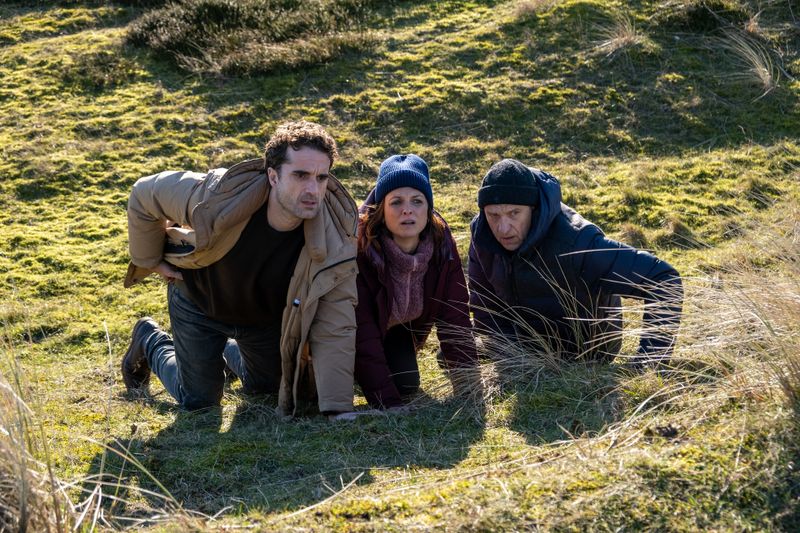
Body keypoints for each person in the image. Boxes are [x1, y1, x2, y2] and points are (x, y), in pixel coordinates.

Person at [121, 120, 358, 417]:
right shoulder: (220, 194)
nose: (313, 189)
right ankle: (150, 339)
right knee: (199, 403)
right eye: (300, 175)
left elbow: (337, 321)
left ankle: (222, 351)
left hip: (262, 321)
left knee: (270, 389)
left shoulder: (334, 234)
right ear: (273, 176)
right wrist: (149, 260)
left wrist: (337, 408)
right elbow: (144, 193)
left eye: (322, 177)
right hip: (198, 302)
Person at [468, 158, 683, 366]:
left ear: (532, 208)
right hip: (525, 351)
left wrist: (649, 364)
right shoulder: (483, 236)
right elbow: (485, 307)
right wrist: (505, 359)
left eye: (514, 213)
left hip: (586, 354)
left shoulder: (577, 242)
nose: (503, 228)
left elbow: (663, 279)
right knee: (455, 351)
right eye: (493, 215)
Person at [355, 154, 478, 409]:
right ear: (381, 210)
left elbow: (455, 316)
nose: (407, 210)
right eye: (396, 202)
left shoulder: (441, 244)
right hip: (344, 334)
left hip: (395, 329)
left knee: (406, 383)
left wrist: (469, 388)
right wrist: (387, 404)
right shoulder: (361, 249)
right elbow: (361, 330)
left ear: (428, 208)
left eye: (417, 201)